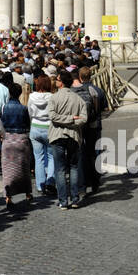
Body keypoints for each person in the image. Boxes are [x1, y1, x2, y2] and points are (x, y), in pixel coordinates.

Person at [48, 71, 87, 209]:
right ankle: (75, 199)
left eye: (57, 79)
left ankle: (63, 201)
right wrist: (71, 119)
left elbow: (52, 116)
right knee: (74, 167)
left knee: (60, 169)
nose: (56, 81)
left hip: (57, 135)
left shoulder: (54, 98)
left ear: (61, 82)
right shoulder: (78, 99)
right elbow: (83, 119)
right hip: (74, 135)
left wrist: (63, 120)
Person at [73, 66, 108, 194]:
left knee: (82, 153)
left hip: (81, 125)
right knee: (94, 153)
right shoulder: (97, 90)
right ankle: (95, 181)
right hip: (95, 125)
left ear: (80, 77)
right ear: (91, 75)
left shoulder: (76, 91)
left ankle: (83, 182)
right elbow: (104, 108)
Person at [0, 85, 34, 212]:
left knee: (7, 170)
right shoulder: (23, 108)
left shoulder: (4, 108)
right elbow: (27, 124)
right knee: (24, 168)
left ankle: (8, 196)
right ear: (20, 93)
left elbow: (1, 124)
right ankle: (28, 193)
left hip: (8, 139)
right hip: (21, 139)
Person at [28, 74, 56, 196]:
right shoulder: (52, 97)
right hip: (49, 127)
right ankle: (50, 181)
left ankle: (40, 185)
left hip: (35, 126)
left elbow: (29, 112)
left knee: (38, 158)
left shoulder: (31, 96)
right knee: (51, 156)